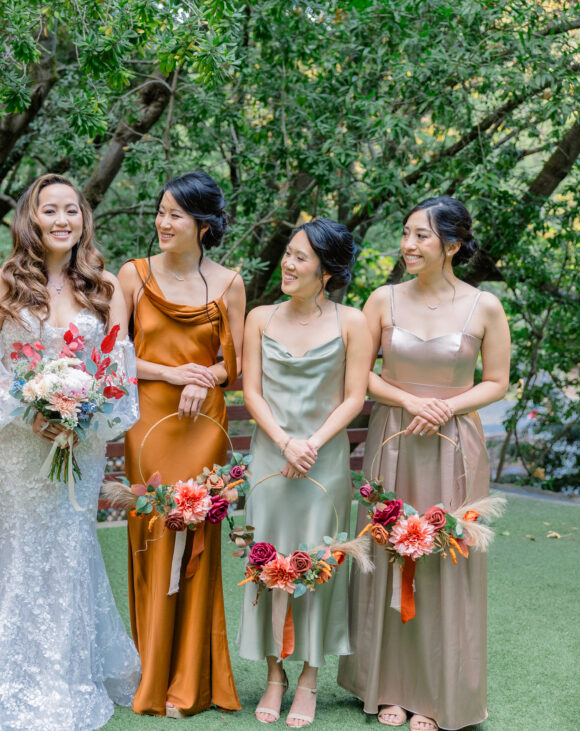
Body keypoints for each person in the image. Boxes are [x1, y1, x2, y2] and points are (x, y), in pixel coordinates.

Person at [0, 174, 140, 730]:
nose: (62, 219)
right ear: (32, 217)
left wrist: (84, 416)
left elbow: (117, 371)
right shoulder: (1, 283)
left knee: (72, 544)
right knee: (20, 543)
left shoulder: (105, 285)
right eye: (51, 210)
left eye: (72, 209)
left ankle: (66, 671)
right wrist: (33, 414)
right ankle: (2, 664)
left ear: (83, 219)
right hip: (22, 447)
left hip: (82, 443)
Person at [337, 197, 510, 731]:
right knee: (390, 550)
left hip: (455, 444)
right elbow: (360, 375)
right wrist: (411, 402)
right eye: (406, 234)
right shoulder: (381, 300)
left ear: (452, 245)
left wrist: (445, 407)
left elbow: (497, 381)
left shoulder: (485, 307)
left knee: (444, 556)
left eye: (422, 237)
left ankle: (439, 693)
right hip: (395, 438)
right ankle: (387, 685)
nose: (409, 245)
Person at [116, 171, 245, 718]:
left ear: (204, 225)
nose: (162, 223)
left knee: (196, 540)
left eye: (175, 215)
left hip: (203, 426)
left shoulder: (230, 284)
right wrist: (178, 375)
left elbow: (233, 366)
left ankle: (192, 680)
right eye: (161, 212)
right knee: (153, 530)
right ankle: (153, 675)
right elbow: (115, 356)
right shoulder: (133, 275)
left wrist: (203, 379)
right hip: (148, 421)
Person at [238, 218, 371, 727]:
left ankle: (311, 678)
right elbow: (251, 390)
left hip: (325, 459)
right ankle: (274, 674)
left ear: (328, 271)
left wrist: (311, 443)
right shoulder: (259, 317)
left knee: (316, 564)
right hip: (271, 456)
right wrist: (284, 442)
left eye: (300, 257)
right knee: (268, 558)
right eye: (288, 254)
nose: (287, 264)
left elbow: (354, 396)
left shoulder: (352, 321)